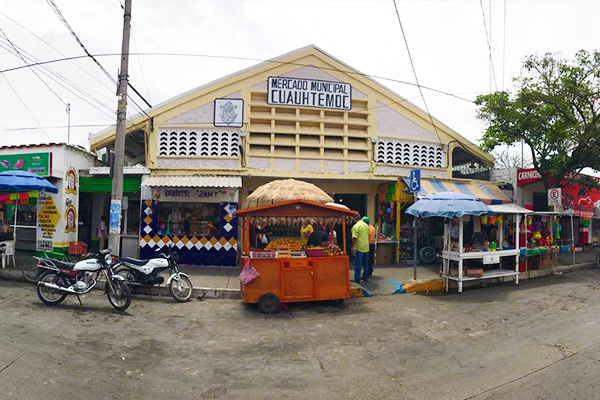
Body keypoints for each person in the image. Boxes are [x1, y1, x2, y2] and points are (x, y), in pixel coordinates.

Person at [351, 215, 370, 283]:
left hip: (359, 247)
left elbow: (354, 238)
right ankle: (365, 277)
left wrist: (353, 247)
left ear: (355, 219)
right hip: (366, 246)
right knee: (365, 264)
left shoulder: (356, 226)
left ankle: (357, 279)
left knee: (358, 264)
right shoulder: (366, 225)